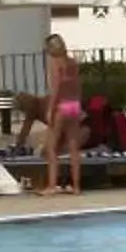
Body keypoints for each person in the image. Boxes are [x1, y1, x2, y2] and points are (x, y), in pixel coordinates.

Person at [40, 34, 86, 193]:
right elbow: (78, 85)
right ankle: (77, 186)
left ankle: (52, 186)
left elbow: (56, 88)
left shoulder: (54, 63)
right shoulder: (72, 62)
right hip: (74, 105)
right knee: (74, 148)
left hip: (61, 106)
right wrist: (80, 104)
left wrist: (50, 109)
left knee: (51, 148)